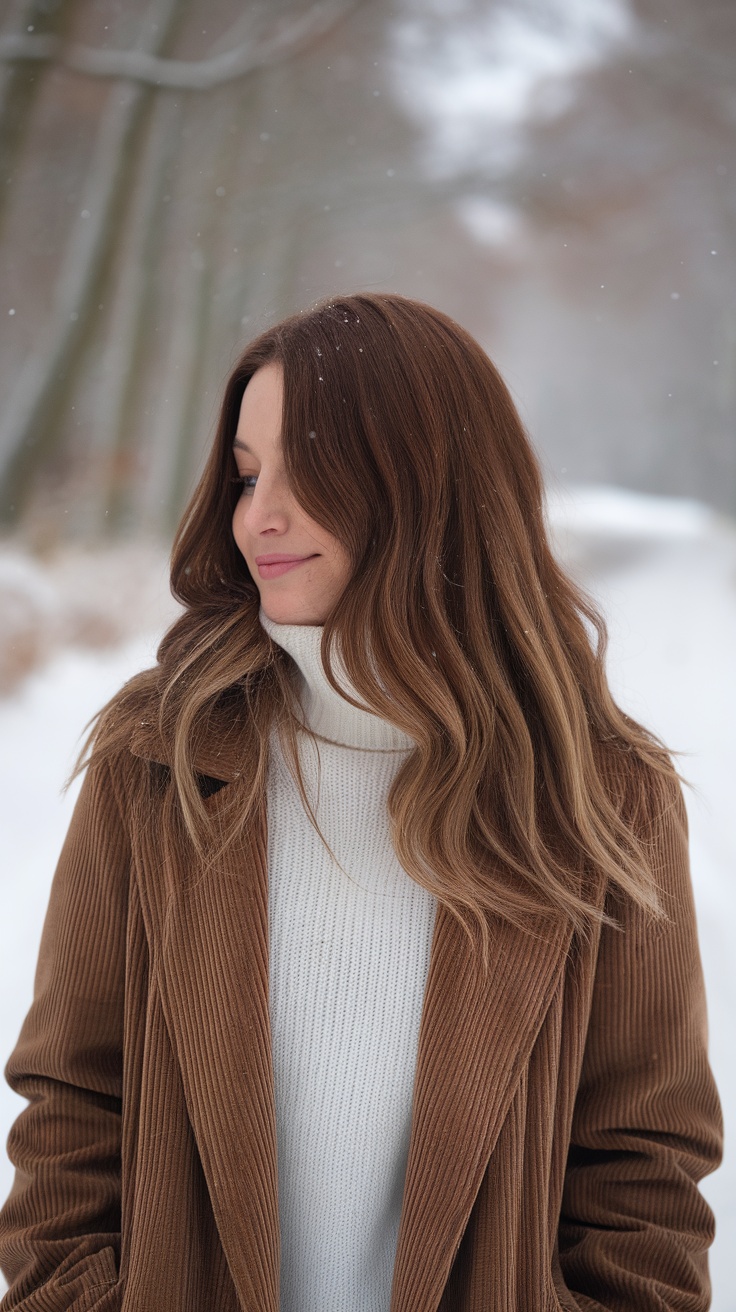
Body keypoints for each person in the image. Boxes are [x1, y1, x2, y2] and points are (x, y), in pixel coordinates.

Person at [0, 292, 723, 1312]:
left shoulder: (602, 793)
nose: (259, 516)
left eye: (307, 472)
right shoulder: (156, 757)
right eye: (247, 475)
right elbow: (73, 1105)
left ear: (428, 481)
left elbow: (644, 1162)